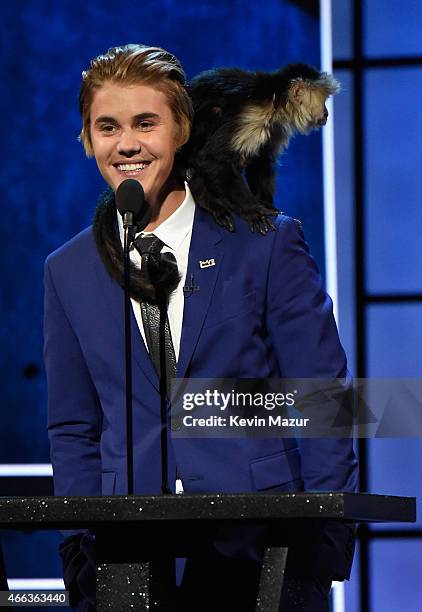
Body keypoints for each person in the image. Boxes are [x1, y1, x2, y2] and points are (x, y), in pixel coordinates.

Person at [44, 44, 358, 611]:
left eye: (146, 123)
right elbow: (73, 425)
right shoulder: (68, 270)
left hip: (263, 547)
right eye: (107, 126)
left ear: (182, 130)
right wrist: (77, 542)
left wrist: (327, 531)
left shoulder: (265, 245)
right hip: (124, 556)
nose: (128, 144)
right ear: (88, 140)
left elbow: (323, 393)